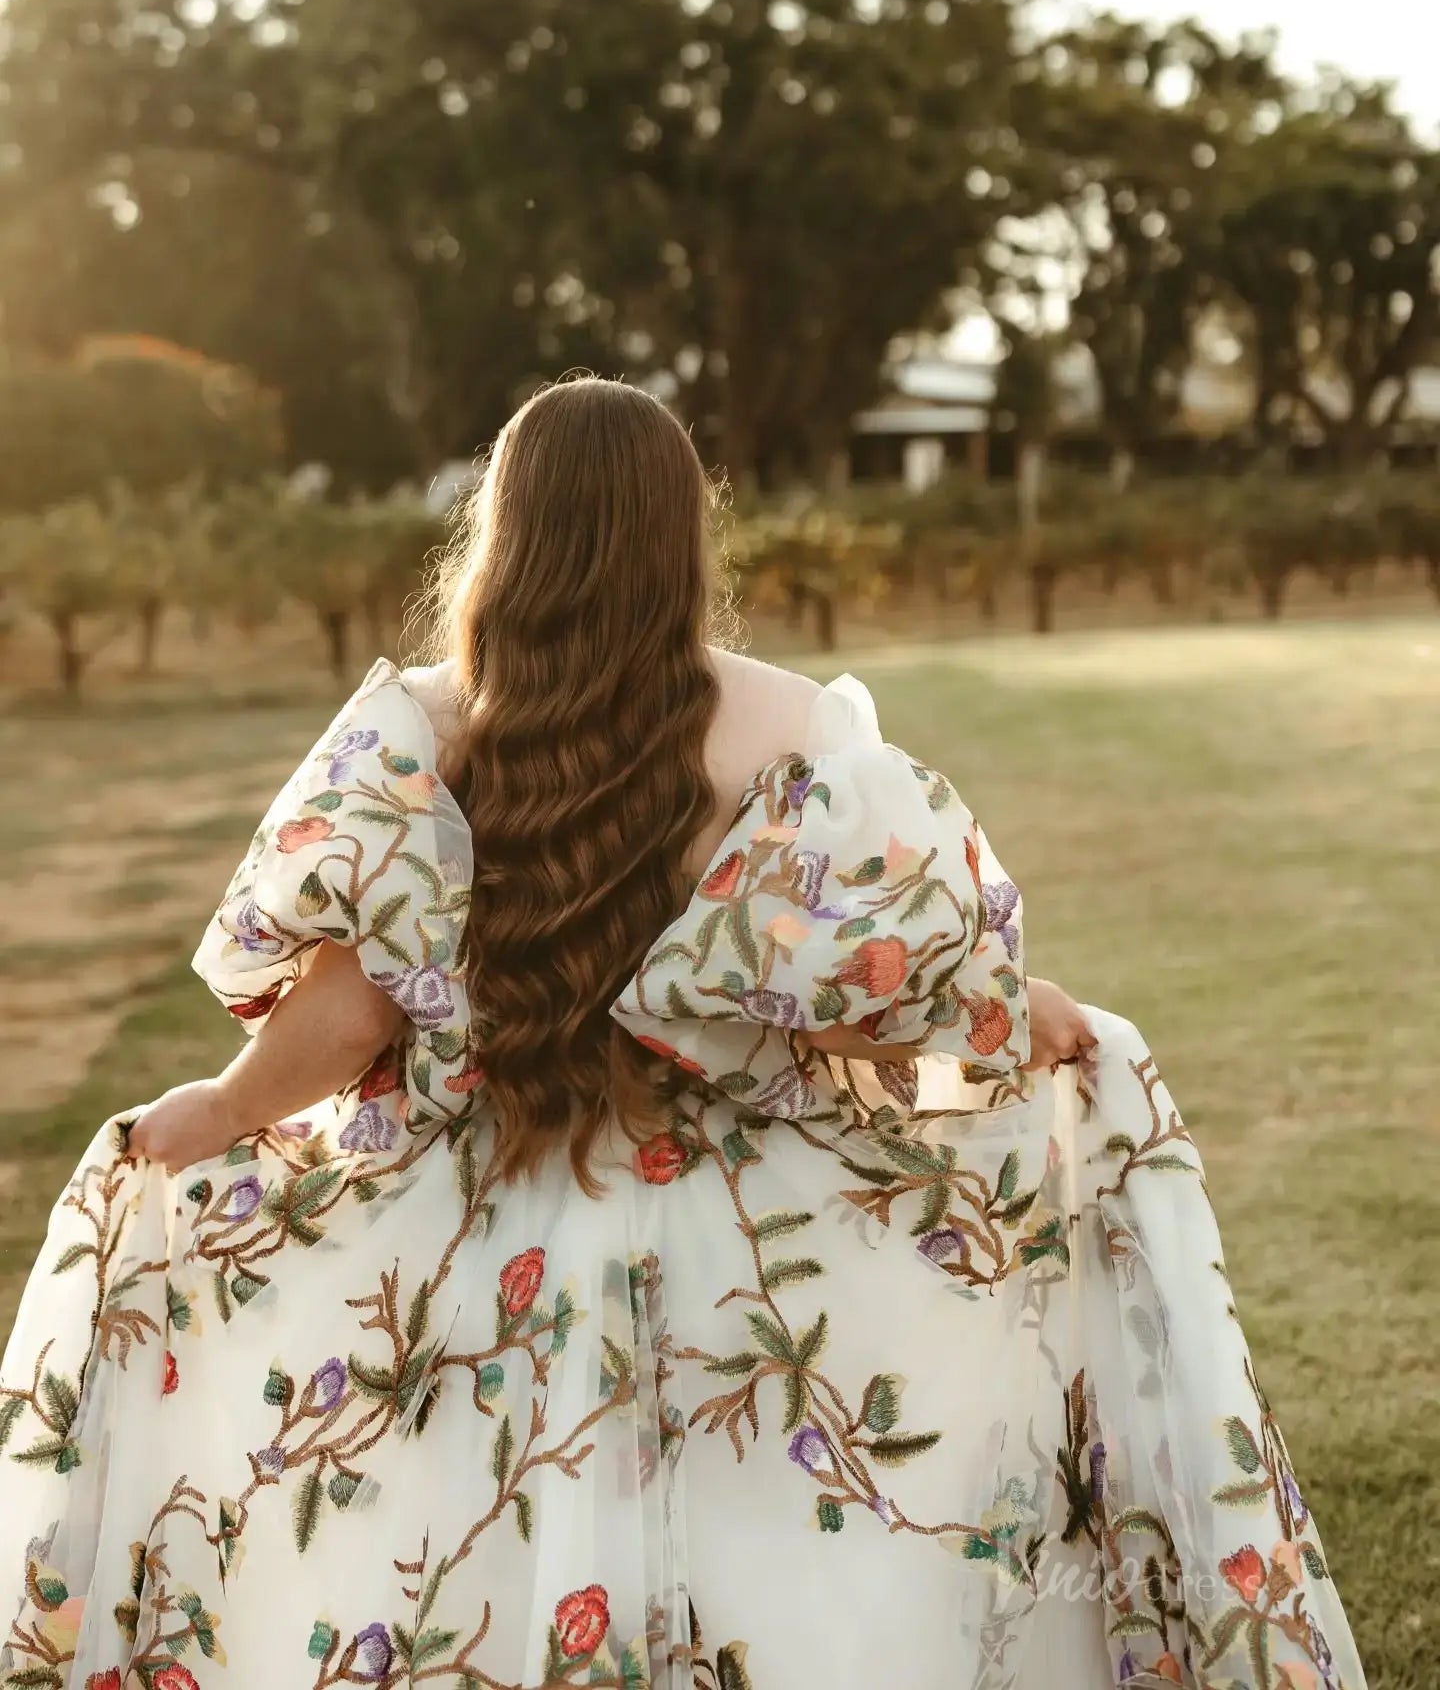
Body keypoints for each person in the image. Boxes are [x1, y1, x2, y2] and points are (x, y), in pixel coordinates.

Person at [0, 379, 1365, 1690]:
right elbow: (883, 1006)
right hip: (743, 1239)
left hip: (476, 1233)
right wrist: (1020, 1016)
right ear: (679, 533)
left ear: (509, 529)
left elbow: (351, 1007)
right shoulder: (790, 727)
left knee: (489, 1558)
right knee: (753, 1574)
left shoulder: (421, 729)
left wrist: (227, 1110)